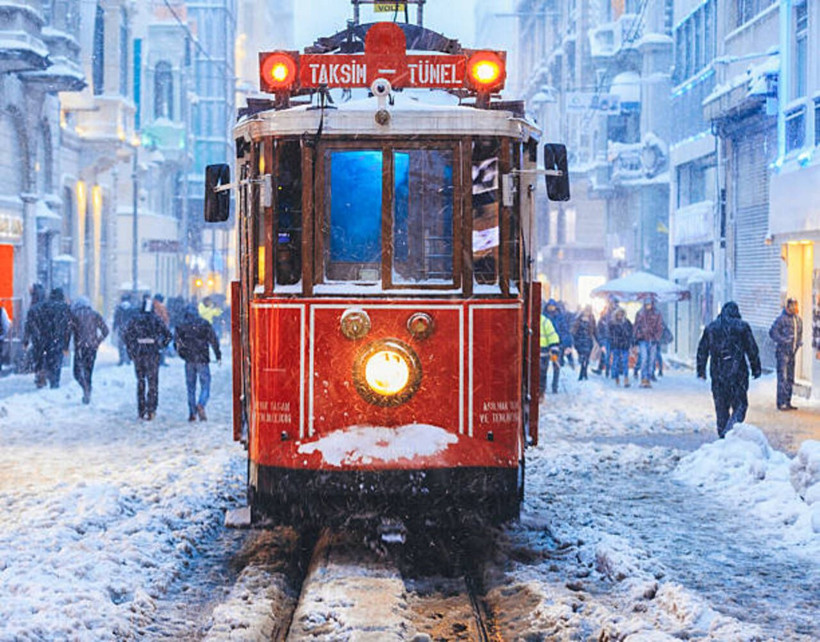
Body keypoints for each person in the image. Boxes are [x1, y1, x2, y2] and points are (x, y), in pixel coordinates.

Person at [697, 302, 762, 437]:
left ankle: (723, 436)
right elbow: (752, 349)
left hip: (718, 374)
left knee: (721, 408)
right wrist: (755, 367)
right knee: (740, 405)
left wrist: (701, 370)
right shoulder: (742, 327)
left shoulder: (711, 328)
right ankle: (730, 432)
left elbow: (702, 350)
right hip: (738, 374)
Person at [122, 296, 172, 420]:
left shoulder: (135, 319)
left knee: (140, 381)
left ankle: (141, 409)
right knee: (153, 382)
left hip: (139, 354)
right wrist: (160, 345)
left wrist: (132, 348)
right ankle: (151, 409)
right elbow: (168, 335)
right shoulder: (156, 319)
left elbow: (126, 335)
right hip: (152, 353)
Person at [174, 304, 222, 421]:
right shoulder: (204, 324)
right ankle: (201, 403)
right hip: (202, 358)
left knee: (191, 387)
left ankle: (192, 412)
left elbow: (176, 343)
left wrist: (182, 354)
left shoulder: (182, 325)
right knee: (205, 385)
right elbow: (213, 340)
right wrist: (218, 354)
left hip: (189, 359)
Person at [69, 297, 109, 404]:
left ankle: (85, 388)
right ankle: (88, 390)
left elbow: (69, 331)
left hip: (80, 348)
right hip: (92, 348)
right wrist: (97, 341)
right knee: (88, 371)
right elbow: (105, 331)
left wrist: (67, 345)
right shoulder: (95, 315)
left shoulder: (74, 315)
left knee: (76, 373)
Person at [769, 298, 803, 411]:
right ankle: (781, 402)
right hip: (782, 353)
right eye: (793, 306)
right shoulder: (781, 319)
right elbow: (772, 332)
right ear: (788, 307)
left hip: (792, 353)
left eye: (796, 306)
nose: (796, 308)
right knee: (782, 377)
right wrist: (783, 340)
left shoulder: (798, 320)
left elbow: (799, 333)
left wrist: (798, 343)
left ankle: (788, 401)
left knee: (790, 378)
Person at [39, 288, 72, 388]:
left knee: (49, 359)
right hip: (60, 339)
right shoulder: (65, 308)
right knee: (57, 361)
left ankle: (50, 378)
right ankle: (55, 381)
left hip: (48, 339)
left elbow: (42, 324)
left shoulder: (45, 306)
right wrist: (66, 345)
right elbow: (68, 327)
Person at [633, 297, 664, 388]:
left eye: (649, 304)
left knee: (651, 360)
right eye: (647, 304)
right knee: (644, 359)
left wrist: (656, 337)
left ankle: (648, 378)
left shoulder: (657, 314)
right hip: (643, 339)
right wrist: (638, 336)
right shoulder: (640, 313)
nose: (648, 306)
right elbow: (636, 326)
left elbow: (659, 327)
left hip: (653, 339)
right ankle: (644, 378)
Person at [22, 283, 47, 384]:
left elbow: (28, 326)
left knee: (38, 356)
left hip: (36, 336)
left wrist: (25, 341)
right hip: (47, 336)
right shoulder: (47, 306)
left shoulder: (32, 309)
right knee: (45, 356)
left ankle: (39, 374)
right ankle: (43, 374)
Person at [608, 307, 633, 387]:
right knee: (616, 362)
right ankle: (617, 378)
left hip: (624, 345)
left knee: (625, 362)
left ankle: (626, 378)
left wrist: (630, 342)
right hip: (616, 345)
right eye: (618, 315)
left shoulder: (627, 323)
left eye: (621, 314)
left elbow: (631, 333)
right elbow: (609, 335)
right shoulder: (612, 324)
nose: (620, 316)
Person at [570, 305, 597, 381]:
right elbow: (574, 330)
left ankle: (583, 372)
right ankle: (583, 372)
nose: (587, 313)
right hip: (580, 341)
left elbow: (595, 330)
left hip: (588, 341)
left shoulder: (592, 319)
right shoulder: (578, 318)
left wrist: (599, 341)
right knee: (582, 358)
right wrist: (574, 340)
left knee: (586, 358)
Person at [539, 310, 561, 397]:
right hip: (543, 354)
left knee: (541, 374)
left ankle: (540, 393)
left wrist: (554, 354)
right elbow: (553, 338)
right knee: (541, 374)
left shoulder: (544, 322)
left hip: (543, 354)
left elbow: (553, 338)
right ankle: (540, 392)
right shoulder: (545, 321)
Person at [113, 294, 136, 366]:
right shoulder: (132, 308)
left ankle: (121, 359)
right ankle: (128, 359)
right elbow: (134, 319)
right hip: (130, 329)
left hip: (121, 328)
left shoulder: (119, 308)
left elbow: (116, 319)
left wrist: (114, 327)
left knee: (121, 344)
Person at [153, 293, 171, 366]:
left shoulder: (152, 305)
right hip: (161, 328)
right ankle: (161, 360)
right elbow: (164, 317)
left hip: (154, 328)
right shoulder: (161, 306)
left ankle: (156, 360)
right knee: (162, 345)